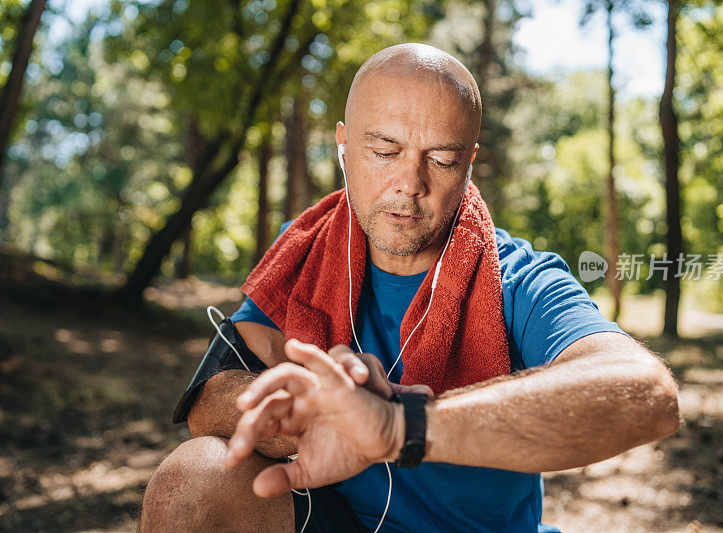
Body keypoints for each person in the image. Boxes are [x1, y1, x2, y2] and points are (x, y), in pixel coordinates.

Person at [140, 43, 681, 533]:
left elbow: (648, 394)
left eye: (442, 160)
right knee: (191, 479)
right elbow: (206, 405)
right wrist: (312, 416)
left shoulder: (516, 277)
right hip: (334, 522)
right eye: (383, 150)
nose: (409, 184)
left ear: (469, 163)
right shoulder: (304, 249)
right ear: (343, 144)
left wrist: (401, 426)